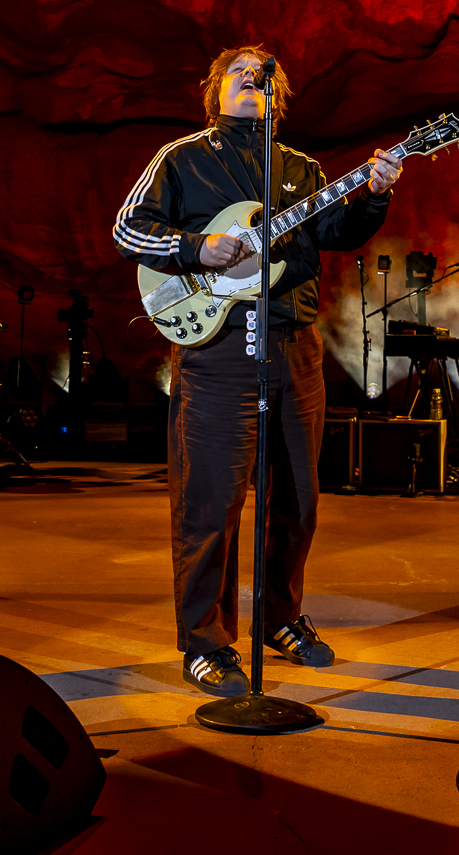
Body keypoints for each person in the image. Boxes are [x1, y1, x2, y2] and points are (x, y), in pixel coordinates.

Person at [112, 46, 401, 697]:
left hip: (294, 346)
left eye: (263, 75)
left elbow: (337, 229)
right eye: (239, 73)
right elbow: (129, 228)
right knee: (211, 501)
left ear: (280, 94)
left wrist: (375, 194)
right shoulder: (182, 157)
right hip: (216, 350)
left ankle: (279, 618)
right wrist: (197, 246)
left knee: (298, 497)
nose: (252, 79)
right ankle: (207, 642)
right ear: (214, 90)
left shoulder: (299, 167)